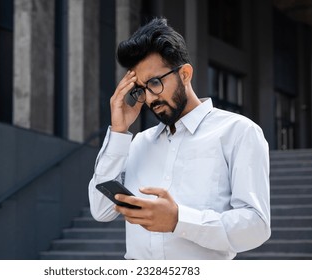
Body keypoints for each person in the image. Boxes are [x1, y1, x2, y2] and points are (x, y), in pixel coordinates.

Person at [88, 17, 270, 260]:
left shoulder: (238, 132)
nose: (150, 99)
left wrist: (179, 219)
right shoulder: (138, 142)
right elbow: (101, 210)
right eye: (140, 89)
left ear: (184, 74)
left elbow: (256, 226)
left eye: (154, 83)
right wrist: (119, 131)